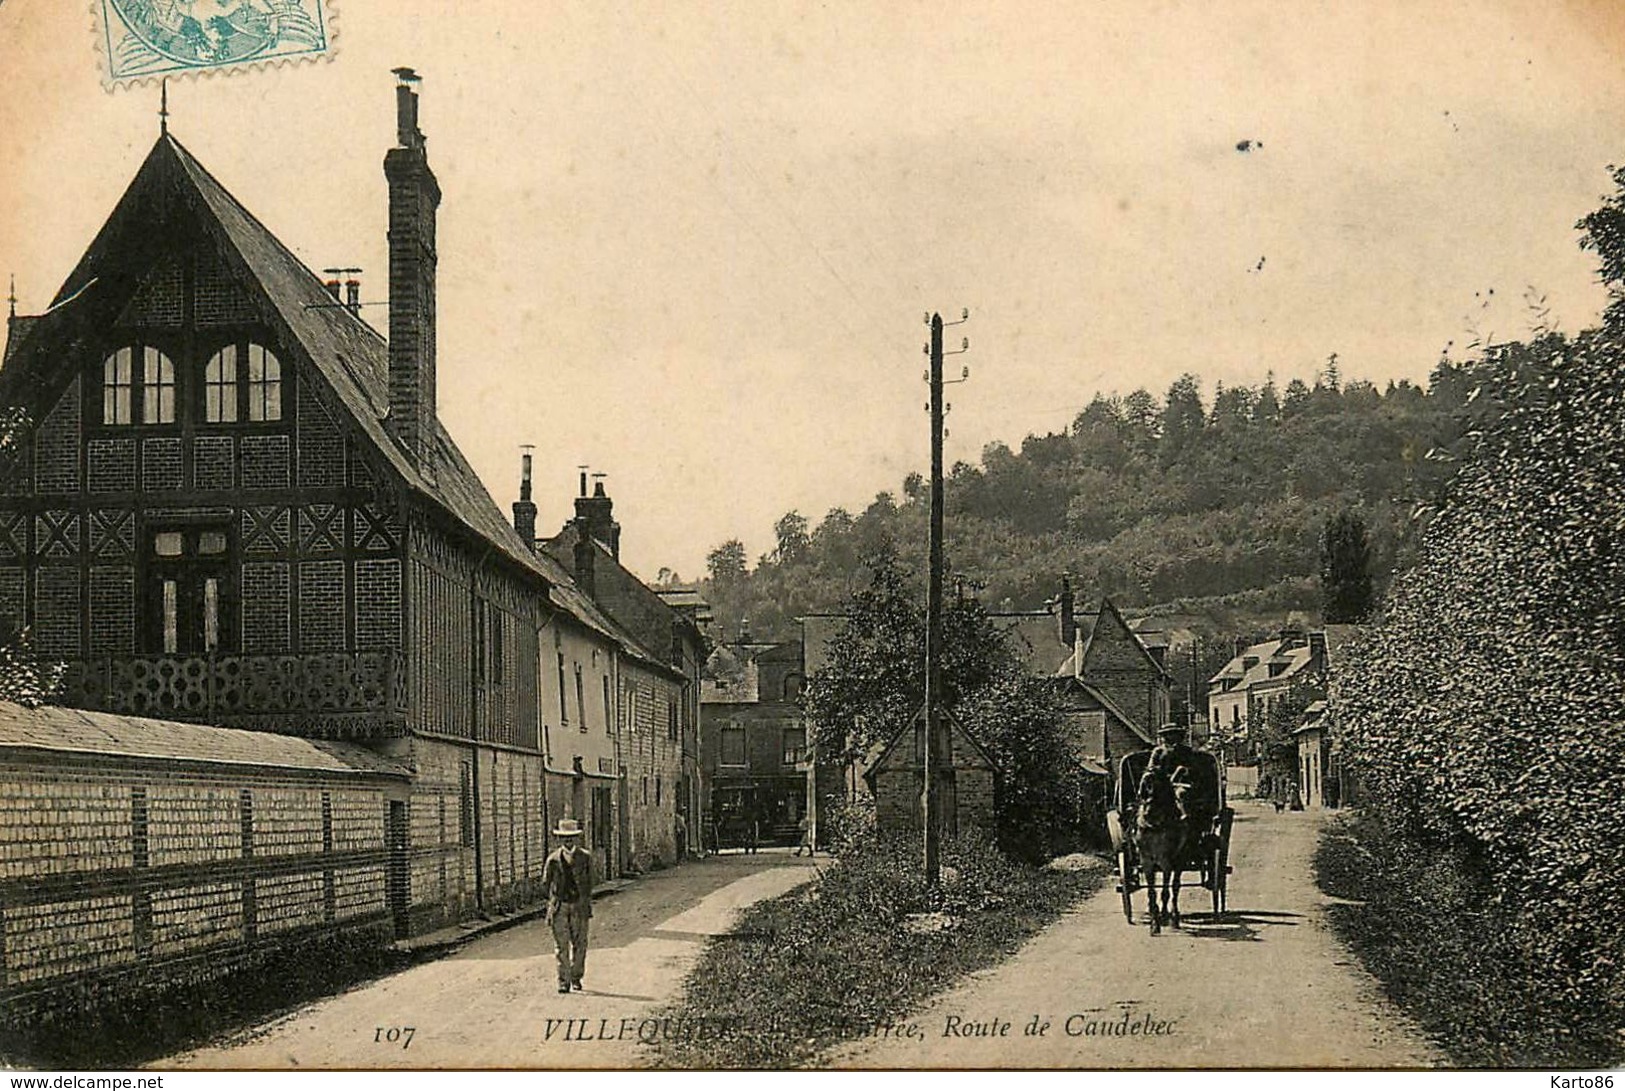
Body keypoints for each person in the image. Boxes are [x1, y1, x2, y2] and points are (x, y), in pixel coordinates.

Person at [542, 817, 594, 994]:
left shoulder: (585, 857)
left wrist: (584, 901)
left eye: (571, 836)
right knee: (561, 946)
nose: (568, 840)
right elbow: (545, 883)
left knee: (580, 944)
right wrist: (552, 902)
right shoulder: (553, 860)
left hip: (579, 906)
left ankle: (576, 977)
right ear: (559, 839)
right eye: (564, 837)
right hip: (560, 907)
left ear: (577, 838)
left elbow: (590, 882)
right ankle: (563, 981)